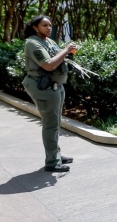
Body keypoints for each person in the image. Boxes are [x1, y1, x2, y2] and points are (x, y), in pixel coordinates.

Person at [22, 15, 77, 172]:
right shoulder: (32, 43)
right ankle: (52, 161)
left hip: (56, 85)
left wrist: (69, 52)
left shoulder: (50, 41)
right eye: (45, 25)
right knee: (50, 124)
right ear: (35, 27)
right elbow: (48, 65)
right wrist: (65, 50)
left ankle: (56, 154)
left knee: (56, 121)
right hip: (43, 87)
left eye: (50, 25)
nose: (49, 28)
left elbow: (58, 58)